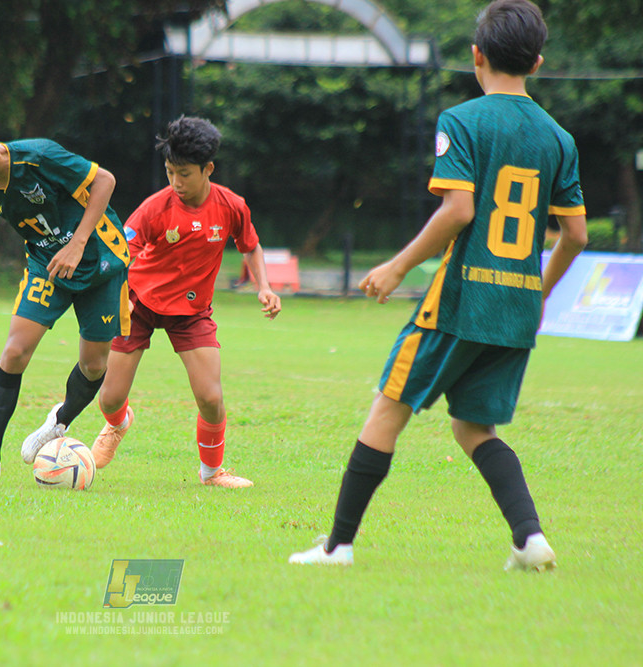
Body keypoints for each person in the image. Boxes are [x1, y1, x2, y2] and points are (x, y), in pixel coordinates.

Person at [289, 0, 587, 571]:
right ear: (538, 63)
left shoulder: (462, 121)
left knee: (387, 410)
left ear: (476, 56)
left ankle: (337, 547)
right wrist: (540, 292)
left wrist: (397, 266)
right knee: (473, 426)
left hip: (458, 300)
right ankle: (530, 539)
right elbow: (574, 235)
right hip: (515, 308)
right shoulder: (559, 139)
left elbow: (458, 211)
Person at [0, 102, 130, 488]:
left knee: (94, 365)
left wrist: (77, 243)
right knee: (14, 352)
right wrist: (57, 248)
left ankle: (60, 421)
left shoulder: (40, 156)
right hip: (47, 263)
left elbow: (105, 181)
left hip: (99, 260)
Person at [91, 116, 282, 488]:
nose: (176, 182)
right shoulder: (155, 208)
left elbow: (251, 245)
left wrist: (265, 287)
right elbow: (121, 252)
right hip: (140, 304)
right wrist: (119, 296)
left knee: (211, 397)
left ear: (208, 168)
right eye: (169, 172)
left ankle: (211, 473)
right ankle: (118, 423)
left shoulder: (231, 206)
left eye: (184, 174)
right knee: (110, 398)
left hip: (191, 312)